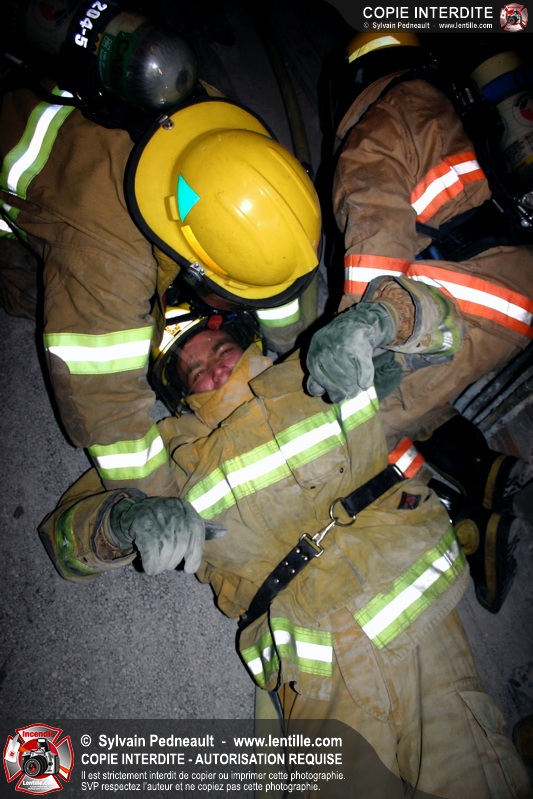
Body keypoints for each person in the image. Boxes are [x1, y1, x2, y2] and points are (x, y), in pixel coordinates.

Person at [38, 282, 531, 797]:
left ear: (247, 342)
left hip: (416, 616)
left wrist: (380, 320)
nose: (215, 372)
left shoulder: (315, 365)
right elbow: (65, 543)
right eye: (195, 372)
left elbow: (448, 330)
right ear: (179, 395)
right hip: (312, 666)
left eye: (221, 351)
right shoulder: (166, 457)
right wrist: (124, 519)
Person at [0, 0, 327, 501]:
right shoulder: (108, 258)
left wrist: (294, 346)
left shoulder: (232, 144)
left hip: (88, 111)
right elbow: (104, 407)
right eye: (234, 294)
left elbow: (275, 264)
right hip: (20, 167)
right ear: (198, 264)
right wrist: (155, 504)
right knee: (25, 294)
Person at [305, 32, 533, 610]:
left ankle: (467, 526)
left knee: (356, 428)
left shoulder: (380, 123)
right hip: (512, 296)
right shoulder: (448, 105)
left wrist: (360, 333)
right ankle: (483, 469)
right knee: (424, 399)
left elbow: (377, 228)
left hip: (469, 299)